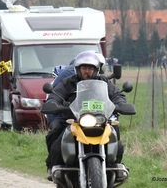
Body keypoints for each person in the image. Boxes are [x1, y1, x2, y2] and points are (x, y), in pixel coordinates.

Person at [45, 51, 126, 180]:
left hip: (100, 119)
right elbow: (55, 94)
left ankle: (115, 165)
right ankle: (52, 165)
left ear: (96, 70)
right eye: (84, 68)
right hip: (73, 119)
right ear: (78, 69)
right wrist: (53, 102)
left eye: (90, 68)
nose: (87, 71)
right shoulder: (68, 82)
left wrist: (120, 104)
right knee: (56, 133)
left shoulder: (104, 82)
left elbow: (117, 94)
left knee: (115, 132)